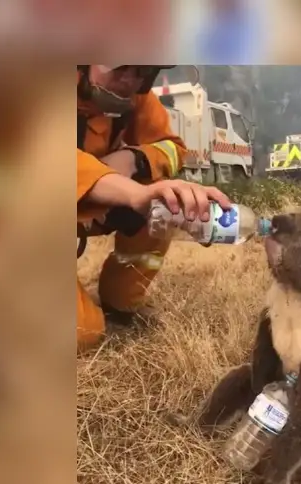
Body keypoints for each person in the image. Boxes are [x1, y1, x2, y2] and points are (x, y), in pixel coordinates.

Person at [77, 64, 231, 351]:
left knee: (163, 201)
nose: (130, 80)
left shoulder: (135, 98)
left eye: (143, 71)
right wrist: (135, 193)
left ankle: (120, 304)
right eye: (120, 65)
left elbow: (173, 147)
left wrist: (135, 158)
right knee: (81, 331)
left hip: (84, 208)